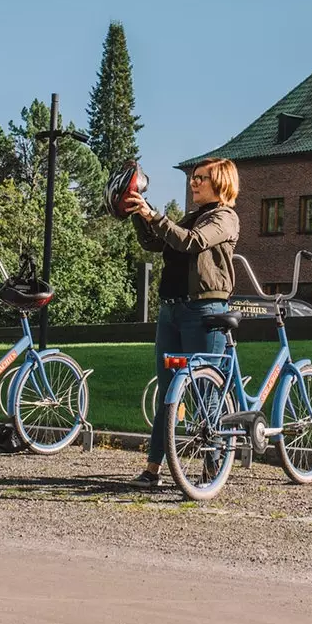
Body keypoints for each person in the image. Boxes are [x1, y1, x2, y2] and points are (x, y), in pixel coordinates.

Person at [127, 157, 240, 488]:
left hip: (204, 312)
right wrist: (139, 213)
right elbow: (156, 242)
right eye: (193, 178)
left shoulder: (225, 217)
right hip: (172, 311)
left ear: (220, 183)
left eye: (201, 178)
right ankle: (152, 470)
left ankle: (213, 468)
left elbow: (192, 242)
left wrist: (154, 215)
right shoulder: (191, 217)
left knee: (206, 391)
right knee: (168, 392)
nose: (193, 183)